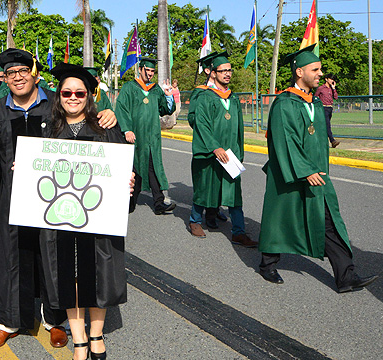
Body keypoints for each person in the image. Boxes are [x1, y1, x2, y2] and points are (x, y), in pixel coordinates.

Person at [0, 48, 118, 350]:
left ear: (34, 73)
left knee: (53, 257)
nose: (17, 77)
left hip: (53, 197)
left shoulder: (55, 102)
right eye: (11, 73)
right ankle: (8, 322)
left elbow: (84, 125)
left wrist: (107, 113)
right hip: (10, 197)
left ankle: (56, 320)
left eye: (23, 71)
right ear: (5, 78)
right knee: (10, 258)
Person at [257, 44, 379, 292]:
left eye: (320, 69)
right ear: (299, 72)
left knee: (328, 222)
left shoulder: (313, 102)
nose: (320, 74)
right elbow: (284, 140)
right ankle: (267, 264)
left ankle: (346, 277)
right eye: (315, 69)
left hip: (316, 174)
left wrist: (318, 168)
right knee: (281, 218)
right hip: (290, 174)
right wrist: (304, 170)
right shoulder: (285, 103)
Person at [41, 63, 128, 360]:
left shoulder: (105, 126)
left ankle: (96, 334)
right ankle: (78, 339)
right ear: (59, 96)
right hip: (59, 218)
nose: (73, 97)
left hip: (96, 218)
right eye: (67, 92)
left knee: (97, 274)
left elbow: (125, 169)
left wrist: (129, 182)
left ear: (89, 96)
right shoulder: (48, 129)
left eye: (80, 92)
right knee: (68, 275)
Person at [186, 51, 257, 247]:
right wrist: (214, 147)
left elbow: (239, 129)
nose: (227, 74)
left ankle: (238, 232)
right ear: (213, 73)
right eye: (223, 71)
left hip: (230, 153)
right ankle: (194, 221)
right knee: (204, 188)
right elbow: (200, 124)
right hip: (210, 152)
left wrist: (238, 153)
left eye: (229, 70)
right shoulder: (204, 96)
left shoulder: (233, 98)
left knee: (234, 193)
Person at [115, 57, 176, 215]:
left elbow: (165, 110)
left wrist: (169, 96)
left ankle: (159, 202)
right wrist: (127, 129)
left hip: (152, 137)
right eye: (147, 70)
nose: (150, 74)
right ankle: (128, 203)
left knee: (153, 167)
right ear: (140, 69)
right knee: (135, 169)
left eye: (152, 71)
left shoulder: (156, 90)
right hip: (135, 136)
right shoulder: (129, 87)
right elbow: (121, 109)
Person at [314, 73, 340, 148]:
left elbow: (336, 97)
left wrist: (334, 88)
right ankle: (332, 141)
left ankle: (322, 141)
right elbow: (315, 97)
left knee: (325, 126)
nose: (332, 80)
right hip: (323, 108)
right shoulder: (321, 88)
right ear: (326, 79)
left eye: (333, 79)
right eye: (331, 79)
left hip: (330, 108)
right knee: (327, 125)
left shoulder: (332, 89)